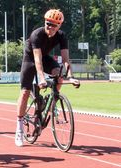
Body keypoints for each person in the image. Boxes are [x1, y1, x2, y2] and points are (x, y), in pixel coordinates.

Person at [15, 9, 80, 147]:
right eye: (47, 23)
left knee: (59, 74)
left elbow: (66, 59)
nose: (49, 27)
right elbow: (37, 61)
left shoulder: (62, 36)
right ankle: (19, 128)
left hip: (45, 58)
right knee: (25, 92)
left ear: (59, 26)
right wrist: (42, 78)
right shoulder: (37, 34)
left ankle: (52, 101)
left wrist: (71, 77)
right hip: (30, 59)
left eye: (53, 25)